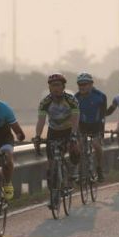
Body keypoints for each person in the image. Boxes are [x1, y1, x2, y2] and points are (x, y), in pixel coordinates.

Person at [33, 73, 80, 208]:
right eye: (52, 86)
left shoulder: (71, 100)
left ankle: (73, 170)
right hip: (53, 132)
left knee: (74, 151)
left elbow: (76, 118)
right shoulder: (45, 102)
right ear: (49, 87)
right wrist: (37, 136)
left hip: (69, 129)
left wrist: (74, 134)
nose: (55, 88)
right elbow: (41, 121)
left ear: (63, 86)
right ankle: (54, 196)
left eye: (58, 85)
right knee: (52, 165)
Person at [74, 72, 107, 182]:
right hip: (82, 125)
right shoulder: (75, 98)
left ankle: (99, 169)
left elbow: (103, 116)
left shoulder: (100, 96)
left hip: (96, 125)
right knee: (79, 147)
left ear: (91, 84)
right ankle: (80, 173)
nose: (82, 87)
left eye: (85, 84)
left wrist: (101, 131)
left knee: (96, 145)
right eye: (80, 85)